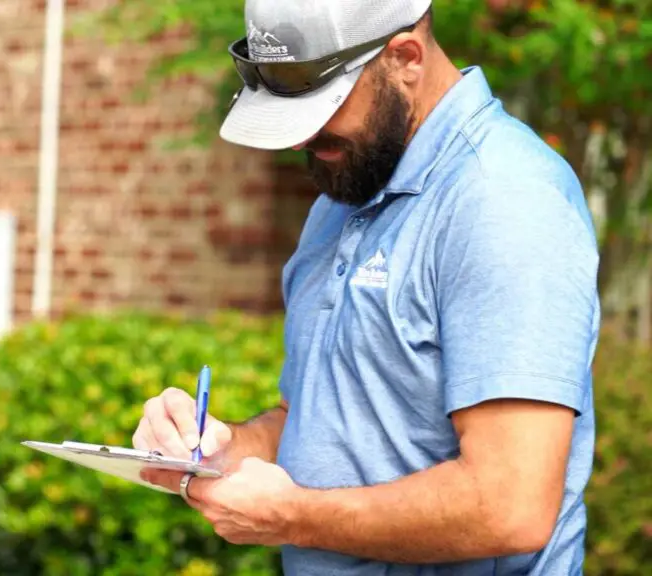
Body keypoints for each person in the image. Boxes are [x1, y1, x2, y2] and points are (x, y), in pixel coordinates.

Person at [133, 0, 602, 574]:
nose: (304, 138)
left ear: (404, 58)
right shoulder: (348, 190)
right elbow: (324, 423)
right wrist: (220, 448)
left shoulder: (503, 200)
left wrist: (294, 517)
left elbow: (509, 506)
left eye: (323, 107)